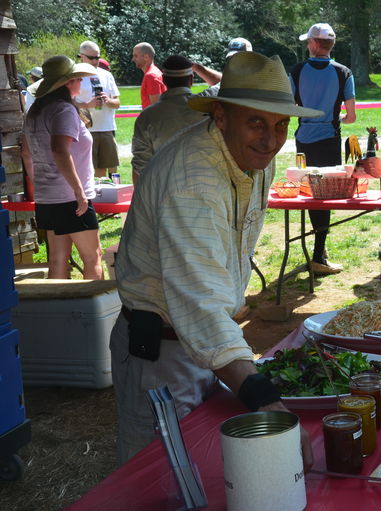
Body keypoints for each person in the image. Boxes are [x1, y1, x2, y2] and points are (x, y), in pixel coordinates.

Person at [110, 51, 323, 465]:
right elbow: (200, 302)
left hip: (209, 347)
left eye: (281, 124)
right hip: (163, 353)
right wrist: (266, 400)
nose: (270, 138)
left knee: (210, 469)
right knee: (164, 478)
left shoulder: (253, 158)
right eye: (256, 122)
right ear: (221, 116)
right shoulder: (194, 179)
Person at [20, 56, 104, 280]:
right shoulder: (63, 110)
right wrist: (78, 191)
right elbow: (59, 149)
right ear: (68, 83)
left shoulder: (35, 111)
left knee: (57, 260)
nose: (81, 83)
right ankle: (95, 314)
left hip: (48, 197)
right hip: (71, 198)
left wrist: (39, 186)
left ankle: (58, 313)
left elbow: (26, 153)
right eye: (77, 78)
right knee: (93, 258)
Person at [290, 22, 356, 275]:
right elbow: (350, 117)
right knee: (324, 196)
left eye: (309, 41)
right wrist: (331, 117)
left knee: (309, 193)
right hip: (329, 139)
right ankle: (319, 254)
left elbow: (289, 107)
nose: (308, 45)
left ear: (316, 44)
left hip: (303, 139)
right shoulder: (344, 73)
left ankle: (317, 252)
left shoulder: (296, 71)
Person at [131, 55, 207, 182]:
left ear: (164, 80)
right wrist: (198, 68)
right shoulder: (207, 107)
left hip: (163, 192)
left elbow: (140, 165)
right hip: (205, 190)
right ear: (191, 80)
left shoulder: (147, 117)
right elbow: (223, 84)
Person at [74, 41, 121, 179]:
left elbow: (117, 103)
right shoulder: (74, 75)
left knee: (106, 170)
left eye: (98, 57)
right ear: (81, 56)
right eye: (92, 58)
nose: (96, 61)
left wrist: (108, 100)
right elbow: (67, 102)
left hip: (106, 128)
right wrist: (87, 105)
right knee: (88, 171)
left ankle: (107, 198)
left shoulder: (106, 75)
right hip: (84, 129)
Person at [131, 42, 167, 109]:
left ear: (146, 57)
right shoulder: (156, 71)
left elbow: (156, 108)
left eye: (135, 56)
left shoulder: (150, 76)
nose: (133, 59)